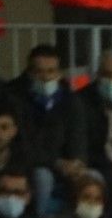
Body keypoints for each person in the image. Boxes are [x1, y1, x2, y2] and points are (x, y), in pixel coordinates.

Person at [11, 44, 89, 190]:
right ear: (29, 72)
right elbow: (20, 144)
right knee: (43, 177)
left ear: (59, 73)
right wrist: (55, 162)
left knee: (92, 179)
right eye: (39, 72)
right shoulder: (14, 98)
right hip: (29, 165)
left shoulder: (70, 100)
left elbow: (77, 136)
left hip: (65, 164)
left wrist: (77, 163)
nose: (45, 77)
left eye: (51, 71)